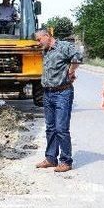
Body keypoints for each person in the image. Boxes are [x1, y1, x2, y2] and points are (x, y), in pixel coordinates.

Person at [34, 28, 83, 173]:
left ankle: (66, 161)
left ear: (47, 36)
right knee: (50, 128)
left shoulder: (64, 46)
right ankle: (50, 158)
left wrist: (72, 71)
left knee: (61, 128)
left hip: (62, 93)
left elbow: (78, 57)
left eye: (39, 39)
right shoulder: (46, 50)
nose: (38, 43)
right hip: (48, 93)